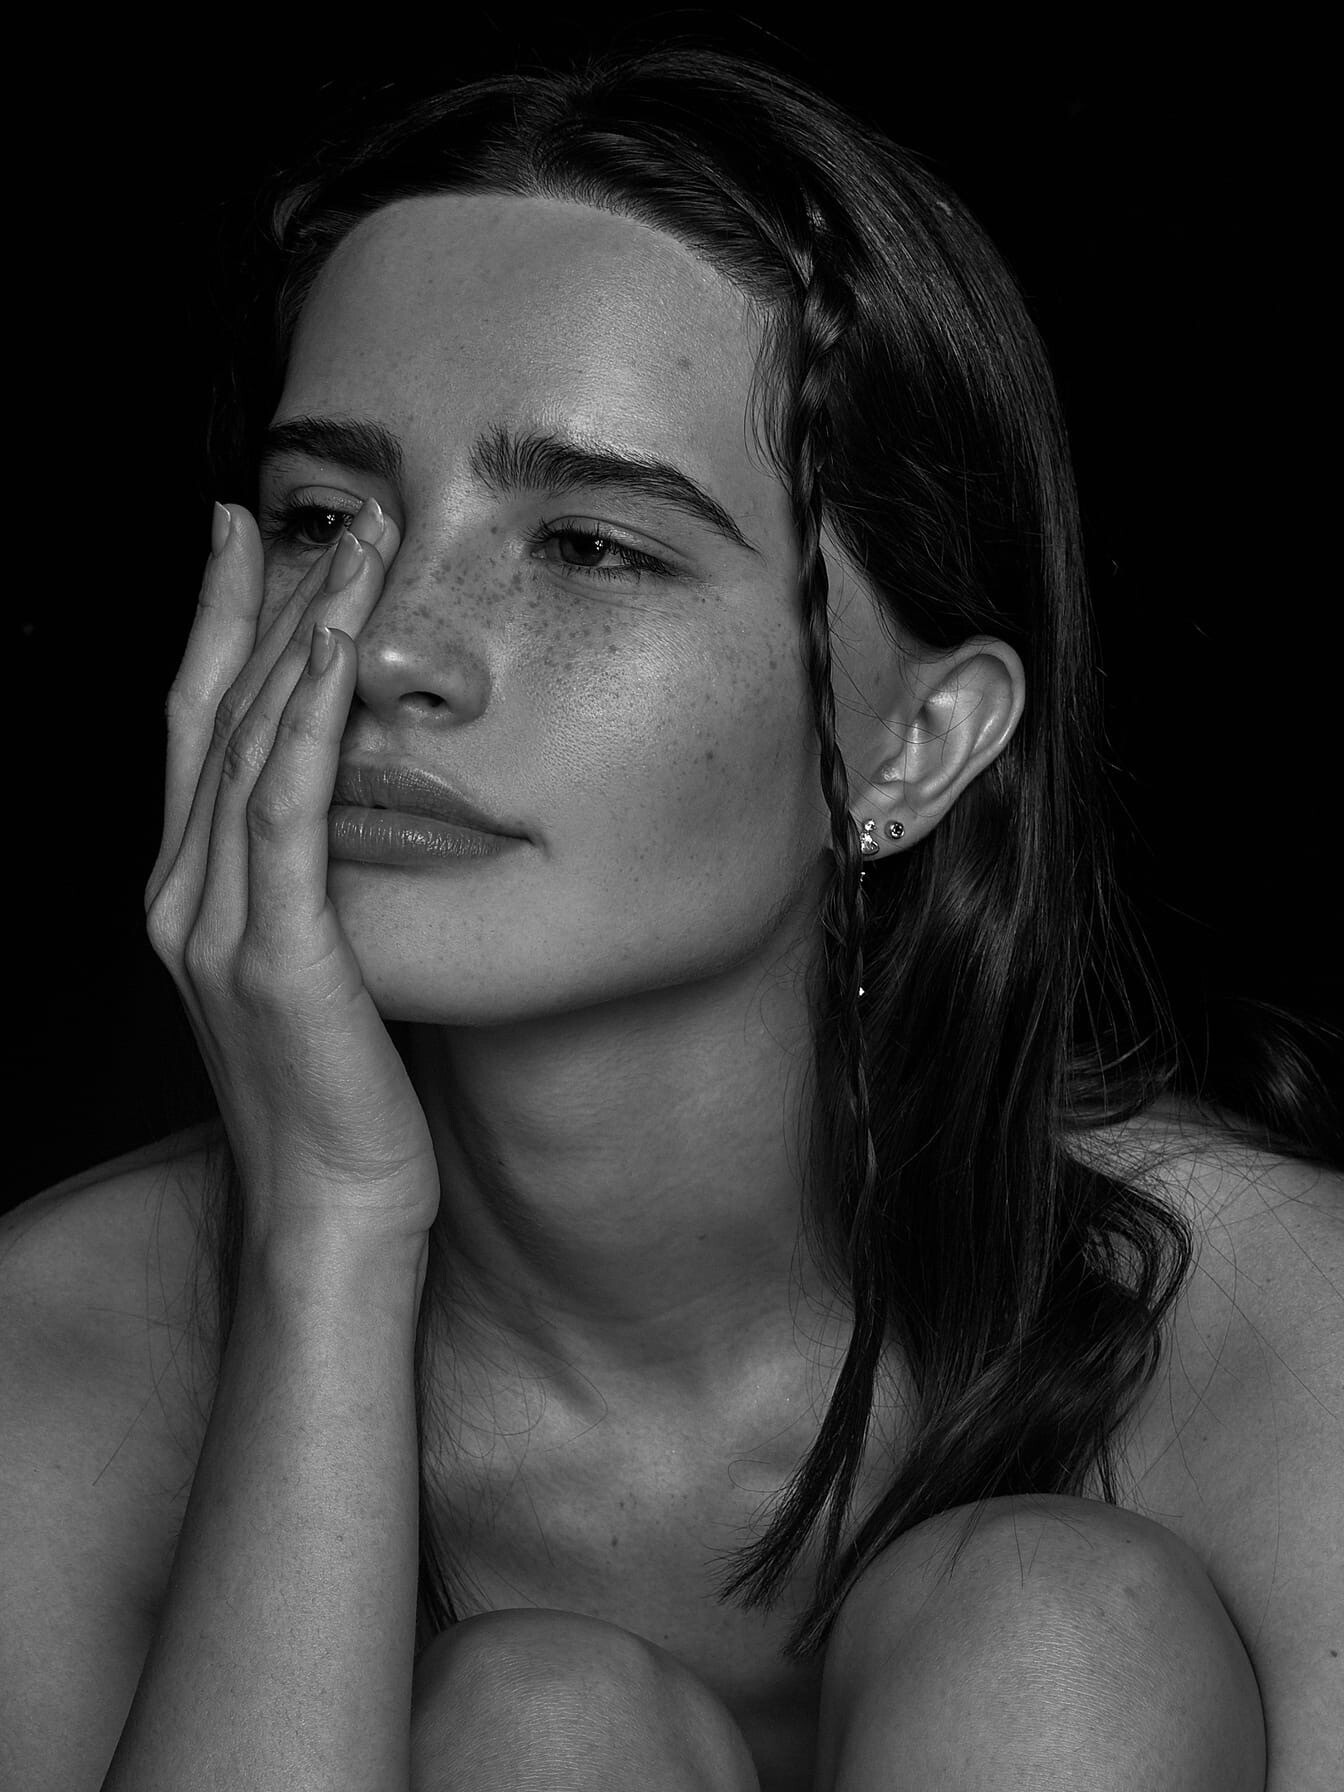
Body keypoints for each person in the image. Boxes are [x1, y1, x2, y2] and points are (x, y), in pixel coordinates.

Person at [2, 46, 1339, 1792]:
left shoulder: (1284, 1338)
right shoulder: (54, 1359)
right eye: (324, 517)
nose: (387, 644)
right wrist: (322, 1238)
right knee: (533, 1723)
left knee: (1056, 1622)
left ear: (917, 745)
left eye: (590, 546)